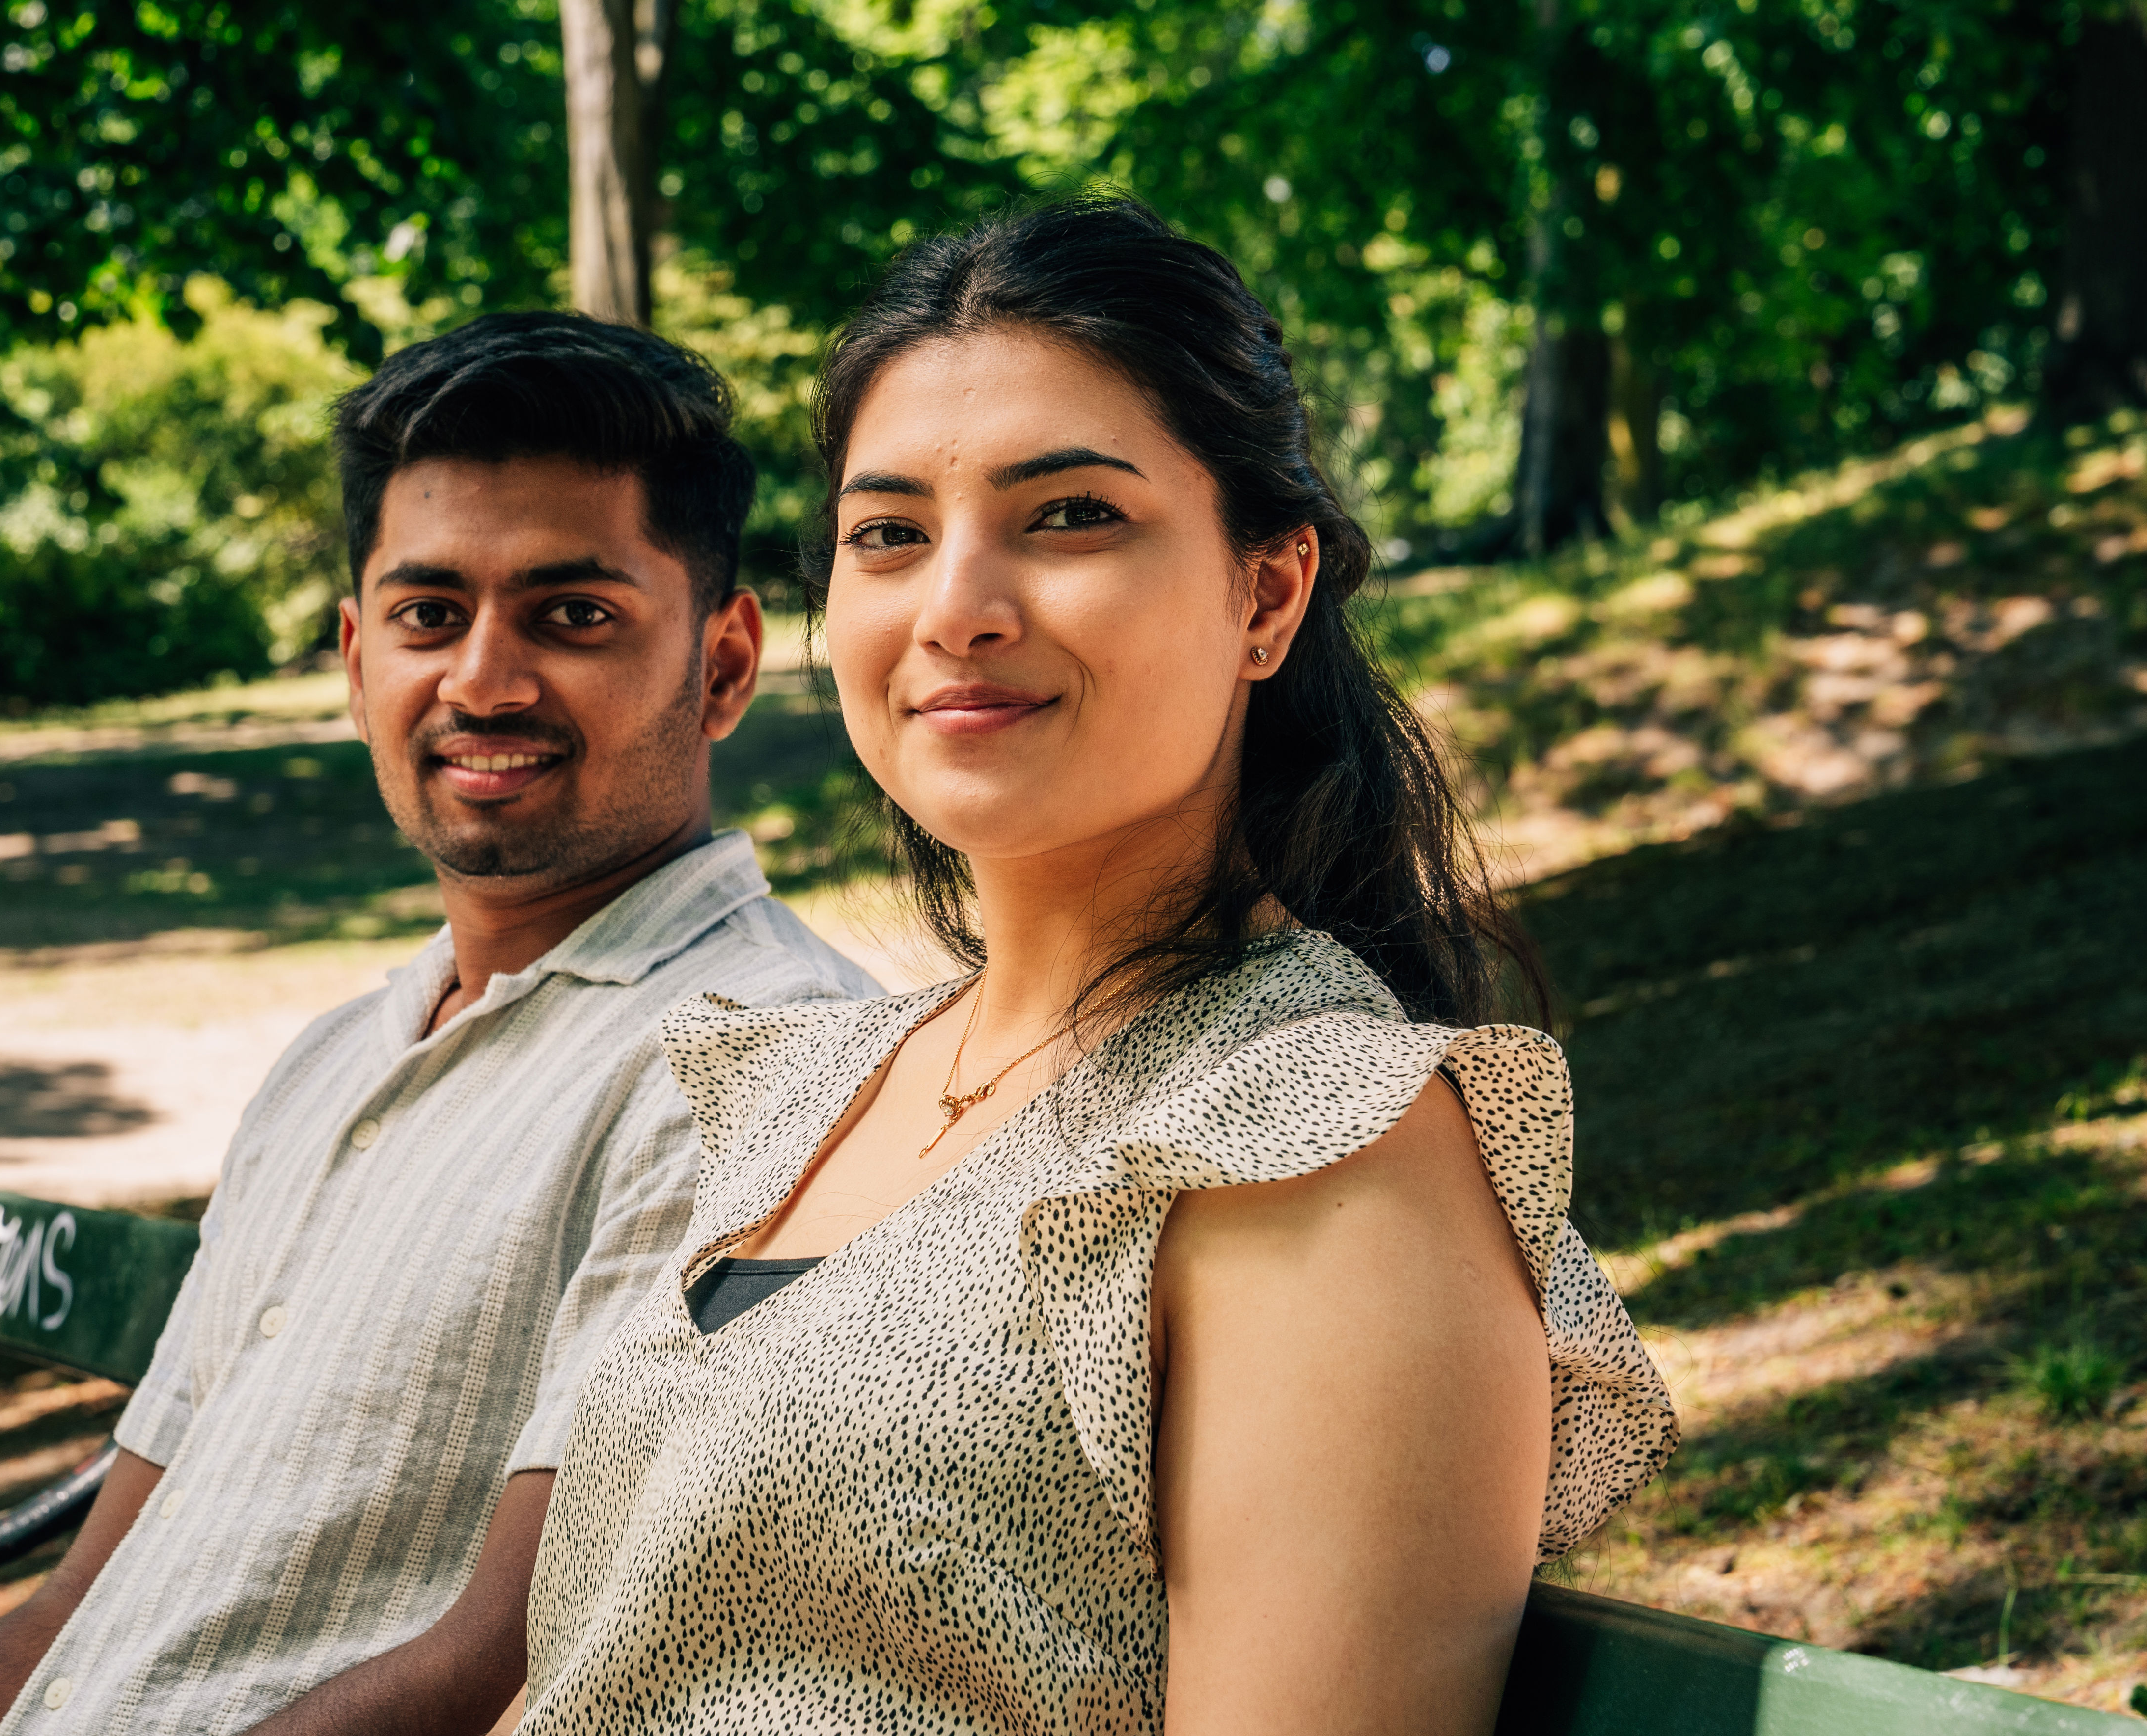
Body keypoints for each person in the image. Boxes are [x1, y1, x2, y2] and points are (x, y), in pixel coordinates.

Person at [520, 198, 1679, 1734]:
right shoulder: (809, 1086)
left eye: (1071, 516)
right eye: (889, 535)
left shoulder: (1317, 1141)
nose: (956, 610)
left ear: (1265, 595)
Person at [0, 313, 877, 1736]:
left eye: (573, 615)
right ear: (357, 662)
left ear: (721, 667)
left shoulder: (762, 1060)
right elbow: (81, 1599)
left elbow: (522, 1656)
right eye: (428, 617)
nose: (483, 681)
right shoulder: (333, 1061)